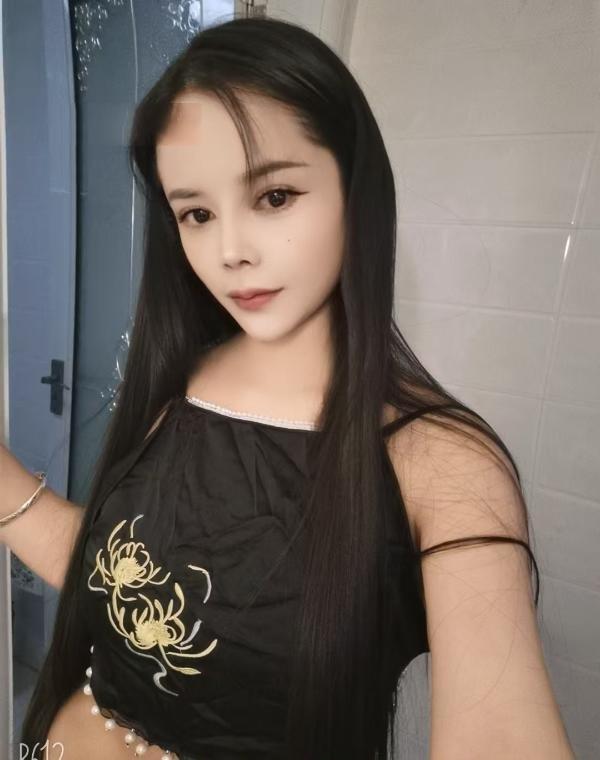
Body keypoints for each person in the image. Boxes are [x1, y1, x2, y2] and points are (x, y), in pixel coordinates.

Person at [1, 15, 574, 760]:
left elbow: (499, 734)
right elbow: (120, 581)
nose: (230, 251)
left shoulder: (441, 465)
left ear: (356, 189)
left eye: (274, 197)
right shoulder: (180, 384)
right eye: (197, 214)